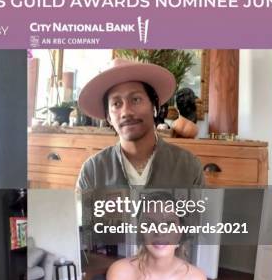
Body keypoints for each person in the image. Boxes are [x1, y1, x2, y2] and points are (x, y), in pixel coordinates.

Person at [78, 192, 228, 280]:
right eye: (149, 224)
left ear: (180, 232)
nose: (159, 232)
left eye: (169, 224)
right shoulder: (119, 273)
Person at [76, 59, 204, 190]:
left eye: (136, 99)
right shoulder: (92, 173)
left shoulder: (188, 168)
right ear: (108, 117)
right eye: (116, 104)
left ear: (154, 106)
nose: (126, 112)